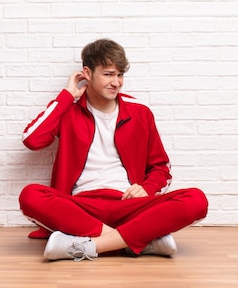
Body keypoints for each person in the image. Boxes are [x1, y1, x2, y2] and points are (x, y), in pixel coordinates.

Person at [19, 38, 208, 261]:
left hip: (129, 204)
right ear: (87, 74)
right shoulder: (68, 110)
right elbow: (32, 140)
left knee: (196, 200)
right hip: (82, 207)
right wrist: (66, 97)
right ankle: (140, 241)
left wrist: (146, 188)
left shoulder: (140, 112)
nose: (116, 82)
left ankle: (87, 245)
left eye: (120, 75)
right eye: (108, 74)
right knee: (30, 196)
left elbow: (161, 167)